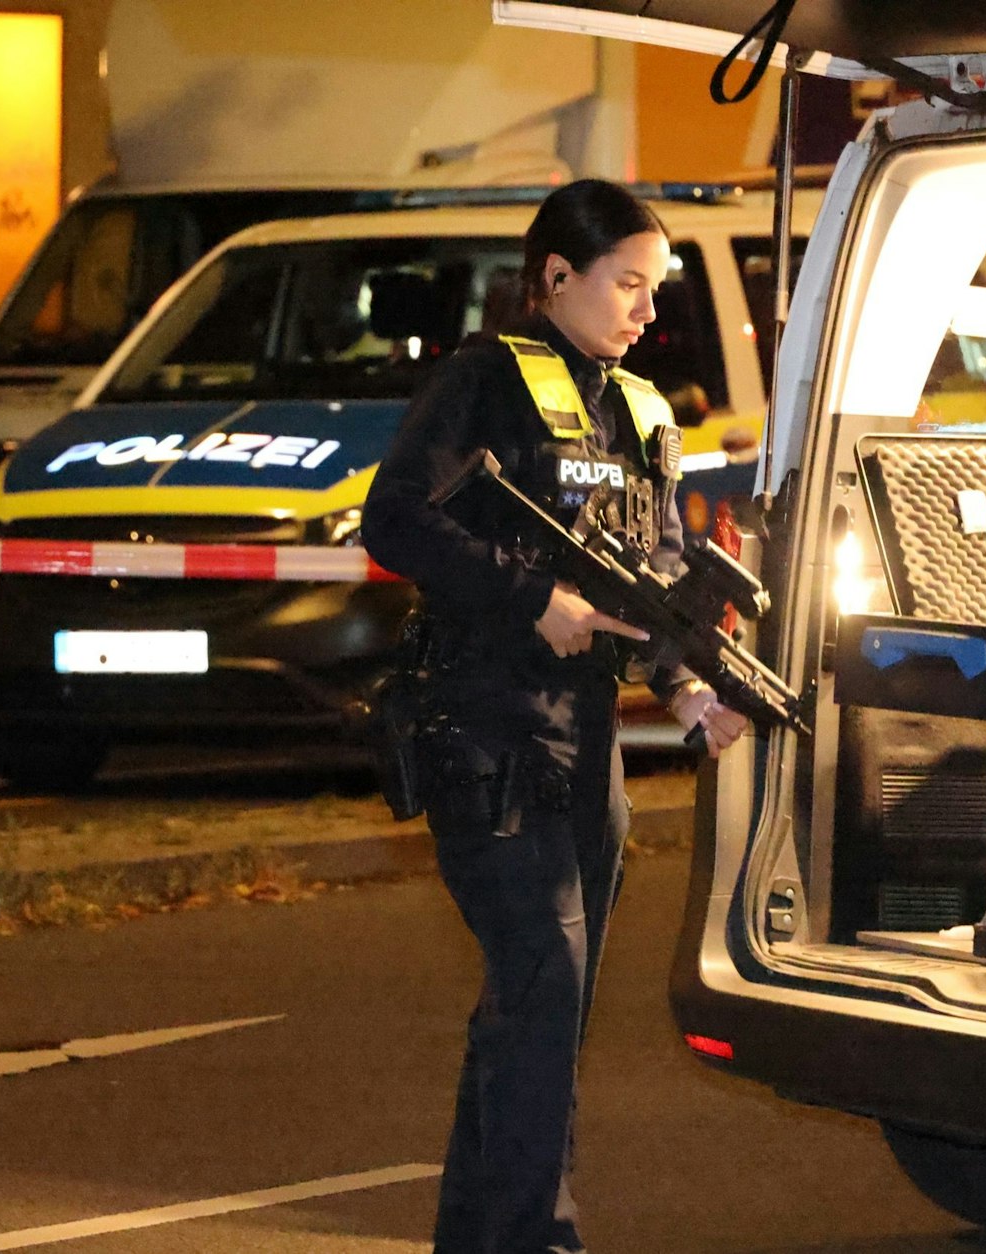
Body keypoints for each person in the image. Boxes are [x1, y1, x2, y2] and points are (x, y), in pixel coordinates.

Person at [361, 179, 749, 1254]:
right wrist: (533, 598)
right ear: (556, 276)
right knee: (546, 985)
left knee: (540, 1009)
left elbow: (653, 571)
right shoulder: (483, 379)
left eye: (652, 288)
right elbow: (393, 518)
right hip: (481, 727)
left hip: (586, 747)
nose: (643, 309)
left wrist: (688, 687)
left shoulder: (643, 410)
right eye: (626, 283)